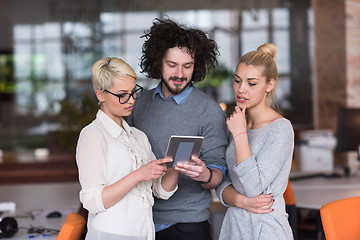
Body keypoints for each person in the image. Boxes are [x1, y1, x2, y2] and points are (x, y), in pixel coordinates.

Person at [128, 18, 273, 240]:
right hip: (138, 219)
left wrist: (205, 174)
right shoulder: (138, 104)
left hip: (187, 225)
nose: (179, 73)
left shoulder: (209, 111)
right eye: (172, 65)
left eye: (187, 66)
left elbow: (217, 176)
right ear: (158, 62)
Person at [76, 57, 178, 240]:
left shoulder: (138, 136)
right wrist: (139, 174)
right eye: (122, 94)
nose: (131, 100)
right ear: (100, 95)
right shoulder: (92, 135)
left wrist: (179, 166)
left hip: (144, 233)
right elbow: (93, 200)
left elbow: (159, 191)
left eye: (134, 92)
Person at [215, 43, 295, 240]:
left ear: (270, 84)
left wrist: (240, 136)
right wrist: (241, 201)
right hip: (234, 227)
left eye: (251, 83)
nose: (241, 90)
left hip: (266, 229)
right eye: (237, 81)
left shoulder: (280, 129)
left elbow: (253, 187)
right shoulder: (235, 123)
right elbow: (221, 181)